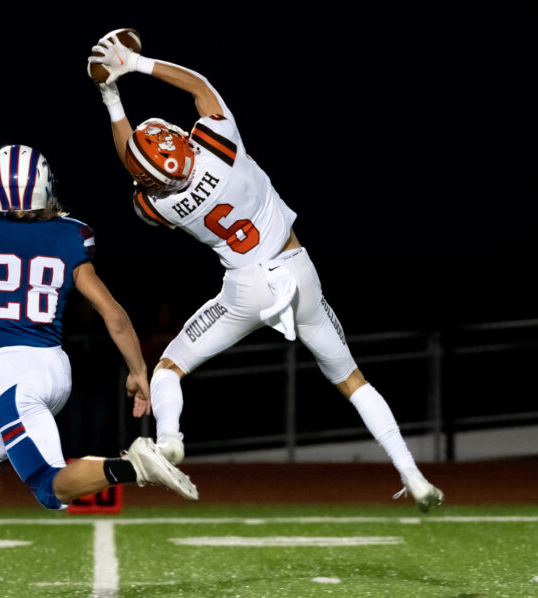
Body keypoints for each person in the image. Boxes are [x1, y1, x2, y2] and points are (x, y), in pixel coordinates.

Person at [87, 37, 444, 512]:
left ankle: (170, 439)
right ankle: (412, 475)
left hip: (246, 288)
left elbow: (131, 158)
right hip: (297, 270)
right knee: (353, 380)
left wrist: (112, 100)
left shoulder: (158, 205)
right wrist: (133, 64)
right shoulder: (219, 144)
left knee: (169, 368)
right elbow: (198, 86)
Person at [0, 144, 198, 598]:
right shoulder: (66, 236)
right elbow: (114, 314)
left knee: (48, 488)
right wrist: (138, 371)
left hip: (13, 378)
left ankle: (133, 465)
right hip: (55, 368)